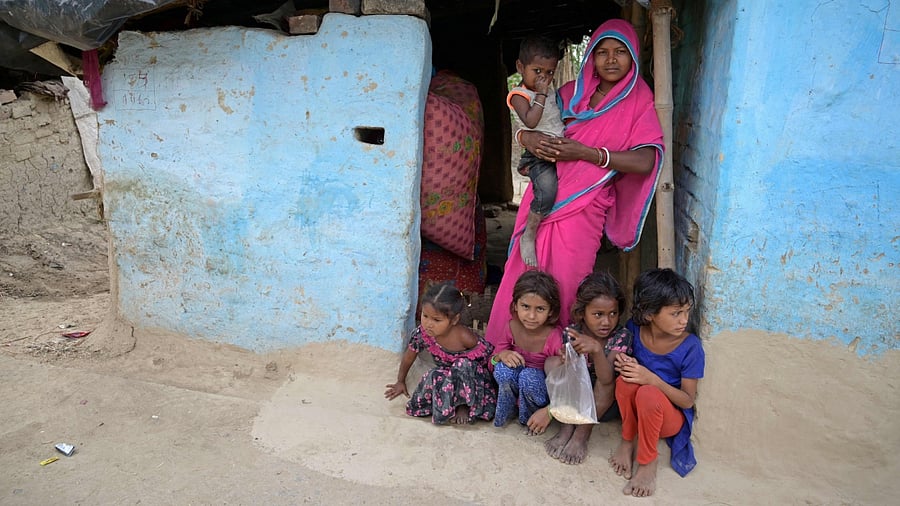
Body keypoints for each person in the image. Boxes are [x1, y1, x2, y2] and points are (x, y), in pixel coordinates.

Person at [485, 18, 663, 364]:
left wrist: (587, 154)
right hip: (544, 198)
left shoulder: (639, 102)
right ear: (591, 58)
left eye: (621, 52)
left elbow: (644, 160)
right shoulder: (569, 94)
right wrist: (526, 138)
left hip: (585, 207)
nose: (611, 60)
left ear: (635, 57)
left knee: (567, 282)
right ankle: (505, 358)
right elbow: (533, 123)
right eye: (602, 52)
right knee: (524, 275)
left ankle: (557, 367)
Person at [610, 268, 705, 497]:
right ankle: (627, 440)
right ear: (650, 313)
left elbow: (687, 401)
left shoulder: (690, 347)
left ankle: (647, 460)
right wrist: (624, 361)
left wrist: (652, 379)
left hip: (668, 417)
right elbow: (623, 360)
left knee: (648, 393)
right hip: (639, 412)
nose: (684, 320)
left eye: (686, 312)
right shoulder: (635, 328)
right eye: (675, 313)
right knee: (625, 382)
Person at [533, 271, 634, 464]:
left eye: (613, 314)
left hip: (603, 404)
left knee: (607, 384)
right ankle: (567, 425)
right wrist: (566, 359)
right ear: (582, 313)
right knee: (551, 363)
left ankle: (581, 434)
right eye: (598, 314)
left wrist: (596, 350)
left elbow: (607, 380)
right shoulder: (572, 332)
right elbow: (569, 374)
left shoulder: (621, 336)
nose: (606, 321)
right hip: (578, 397)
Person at [384, 282, 497, 425]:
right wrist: (400, 381)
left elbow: (489, 359)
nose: (429, 324)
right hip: (449, 377)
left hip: (472, 379)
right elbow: (409, 357)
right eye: (425, 316)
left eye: (437, 320)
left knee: (463, 364)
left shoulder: (464, 337)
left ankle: (464, 407)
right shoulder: (423, 334)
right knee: (434, 374)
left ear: (454, 320)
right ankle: (440, 409)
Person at [507, 35, 566, 268]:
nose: (544, 78)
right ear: (520, 67)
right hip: (538, 155)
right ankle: (529, 233)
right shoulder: (519, 95)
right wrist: (541, 93)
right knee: (548, 190)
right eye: (537, 71)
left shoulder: (552, 92)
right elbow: (531, 122)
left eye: (550, 73)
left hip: (560, 149)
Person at [490, 270, 564, 433]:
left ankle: (528, 419)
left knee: (528, 376)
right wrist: (501, 355)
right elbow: (492, 362)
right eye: (525, 306)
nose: (531, 316)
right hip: (514, 387)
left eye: (540, 309)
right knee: (503, 370)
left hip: (538, 392)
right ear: (515, 305)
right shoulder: (511, 327)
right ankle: (507, 412)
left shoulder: (553, 337)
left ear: (551, 311)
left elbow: (562, 379)